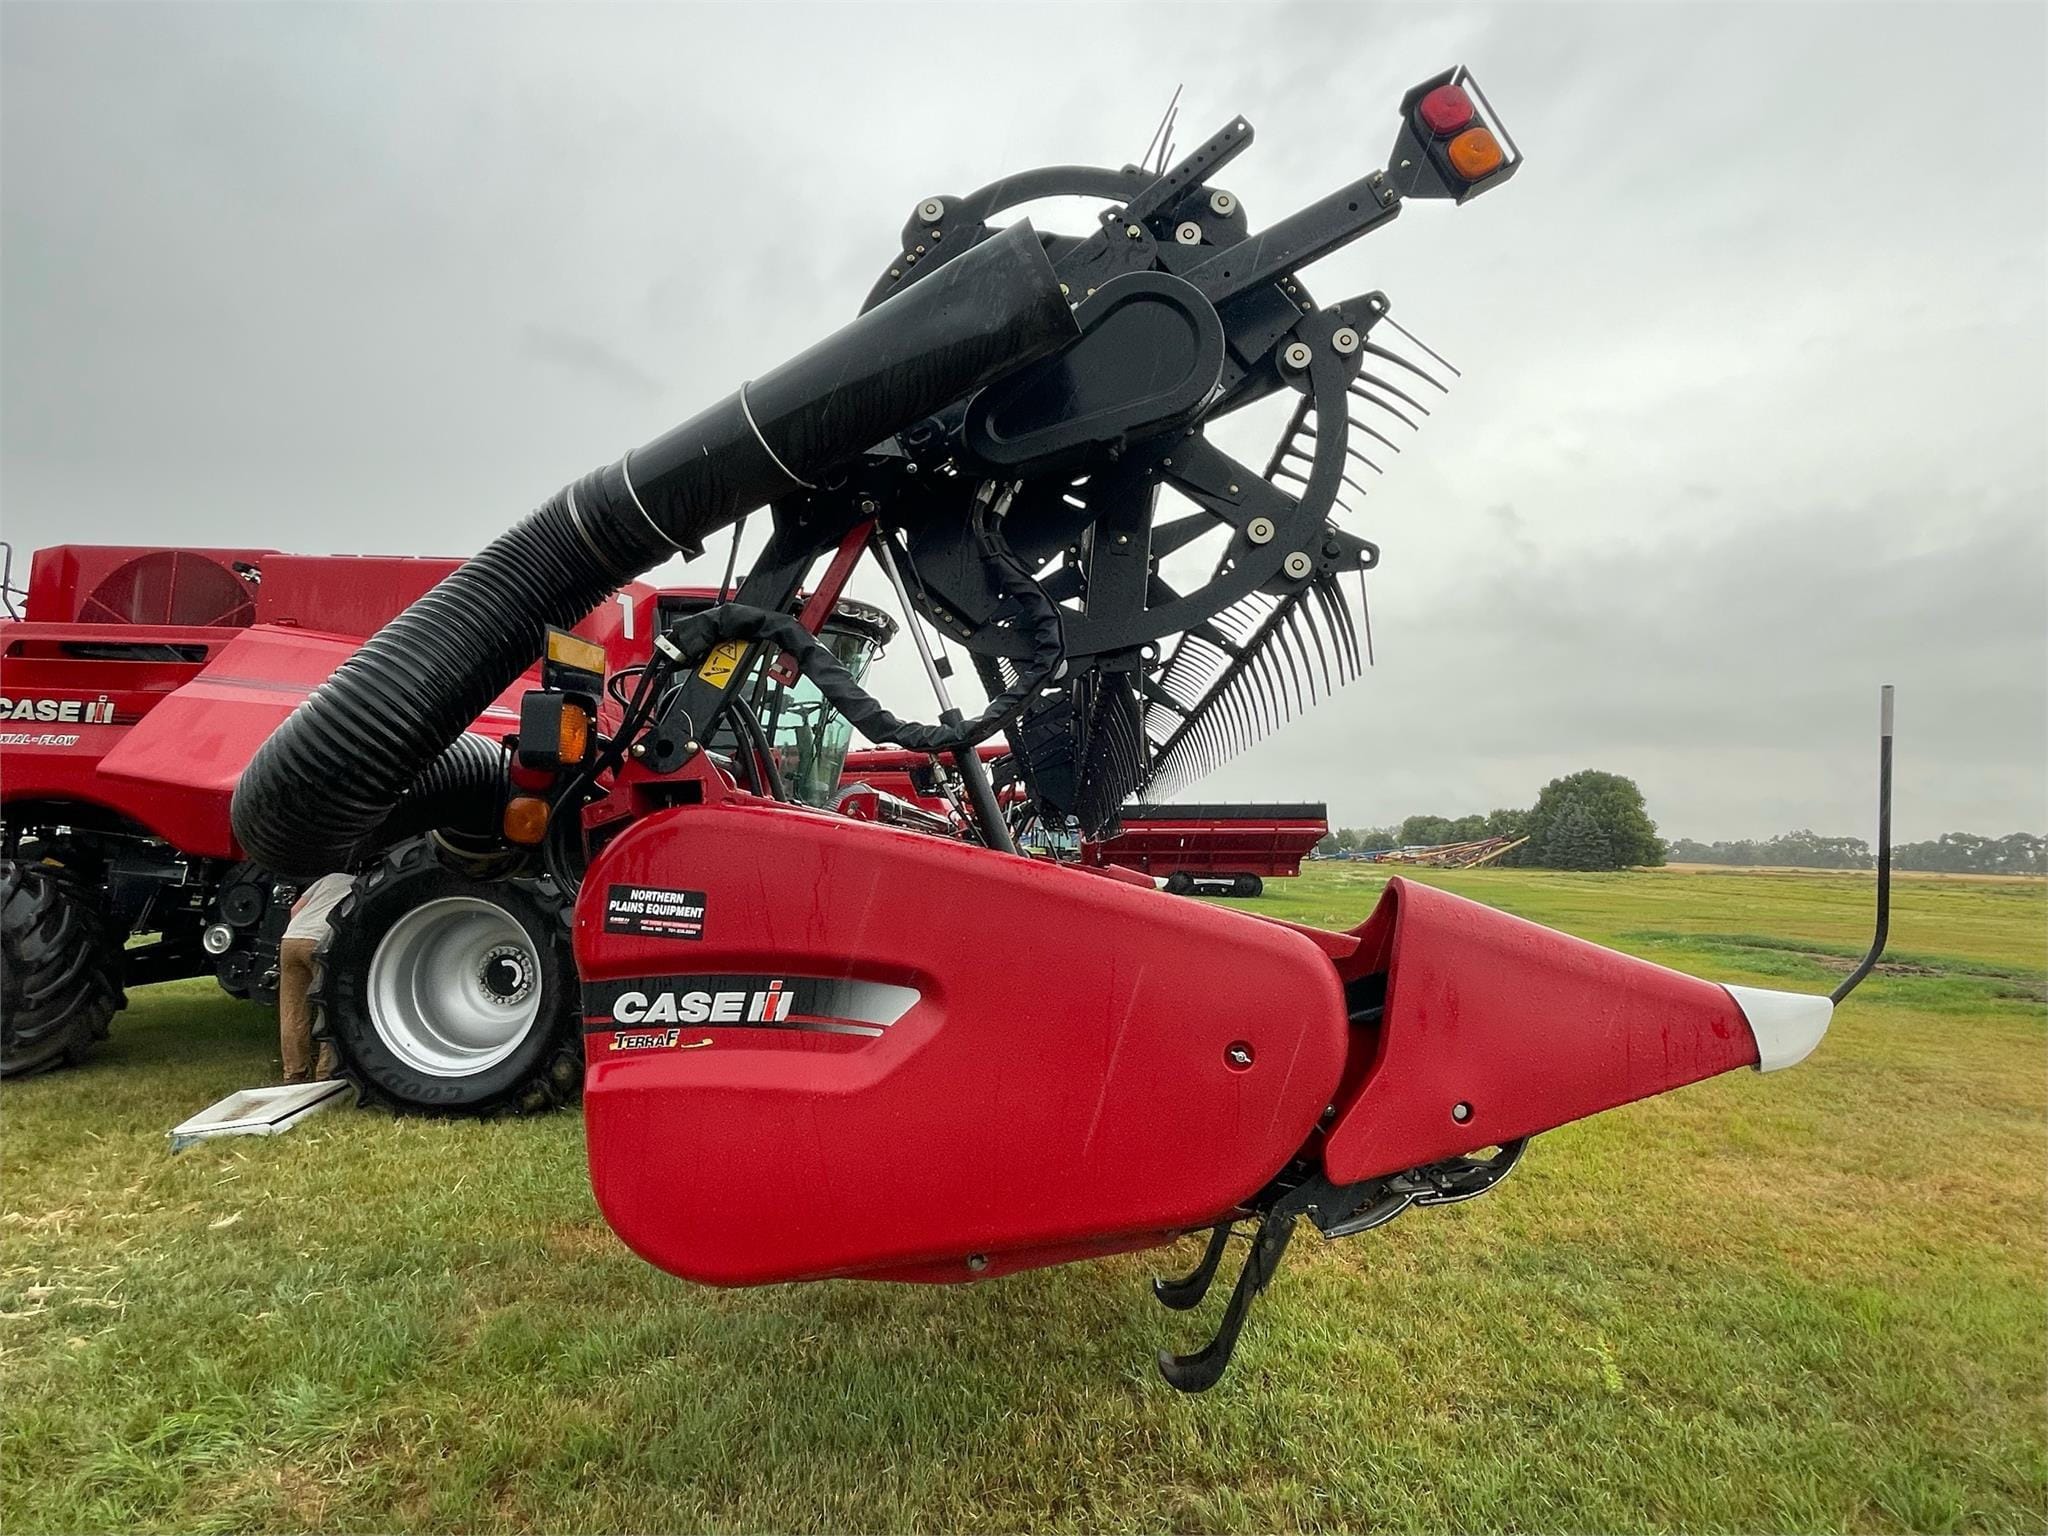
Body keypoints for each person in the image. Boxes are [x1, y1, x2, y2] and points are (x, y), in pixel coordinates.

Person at [278, 871, 354, 1083]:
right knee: (329, 1007)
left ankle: (294, 1073)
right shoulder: (361, 885)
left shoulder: (328, 878)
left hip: (291, 940)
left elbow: (295, 909)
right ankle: (325, 1073)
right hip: (321, 942)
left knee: (292, 1011)